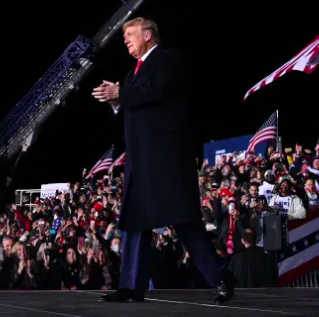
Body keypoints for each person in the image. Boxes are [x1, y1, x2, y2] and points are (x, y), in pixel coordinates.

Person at [92, 17, 235, 304]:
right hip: (139, 160)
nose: (125, 40)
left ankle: (221, 278)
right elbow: (136, 105)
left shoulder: (168, 59)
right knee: (134, 222)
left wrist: (122, 93)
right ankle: (131, 287)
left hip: (167, 159)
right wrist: (116, 102)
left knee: (184, 221)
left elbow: (160, 92)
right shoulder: (133, 70)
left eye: (129, 34)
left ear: (148, 34)